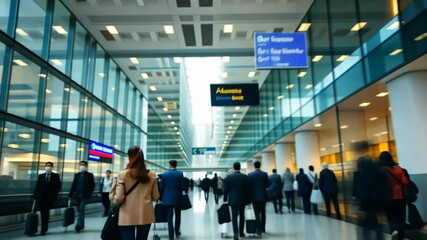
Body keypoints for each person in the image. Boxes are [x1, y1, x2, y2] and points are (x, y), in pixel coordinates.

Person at [110, 146, 159, 240]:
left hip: (126, 215)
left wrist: (112, 193)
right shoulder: (152, 175)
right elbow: (156, 196)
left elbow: (118, 198)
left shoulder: (122, 174)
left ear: (129, 157)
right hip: (146, 214)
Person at [352, 141, 389, 240]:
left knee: (365, 230)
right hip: (377, 204)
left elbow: (362, 187)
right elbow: (383, 185)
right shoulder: (376, 164)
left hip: (367, 205)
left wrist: (360, 206)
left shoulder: (362, 166)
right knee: (377, 228)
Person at [378, 151, 409, 240]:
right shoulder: (398, 169)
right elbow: (405, 182)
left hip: (387, 197)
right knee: (401, 218)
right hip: (400, 196)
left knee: (391, 217)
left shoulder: (380, 171)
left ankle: (394, 231)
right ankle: (401, 236)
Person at [223, 162, 250, 240]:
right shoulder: (245, 177)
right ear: (240, 167)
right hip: (242, 200)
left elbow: (226, 190)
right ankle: (241, 232)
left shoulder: (229, 177)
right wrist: (248, 200)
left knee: (234, 217)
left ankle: (236, 233)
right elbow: (247, 190)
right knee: (242, 216)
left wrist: (225, 199)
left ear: (233, 167)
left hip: (233, 200)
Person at [33, 162, 60, 235]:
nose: (48, 167)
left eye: (50, 166)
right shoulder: (41, 176)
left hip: (49, 199)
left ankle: (44, 228)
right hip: (41, 198)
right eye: (47, 166)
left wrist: (54, 196)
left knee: (46, 213)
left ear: (52, 167)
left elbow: (58, 187)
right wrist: (35, 196)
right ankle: (43, 228)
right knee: (42, 213)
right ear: (45, 167)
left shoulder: (56, 176)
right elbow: (37, 187)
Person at [160, 160, 184, 240]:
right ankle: (177, 232)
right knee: (178, 215)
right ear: (176, 165)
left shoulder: (164, 175)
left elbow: (161, 188)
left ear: (170, 165)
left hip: (167, 198)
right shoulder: (180, 174)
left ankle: (171, 235)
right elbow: (182, 186)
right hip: (178, 198)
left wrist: (161, 198)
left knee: (169, 217)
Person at [69, 160, 95, 232]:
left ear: (86, 166)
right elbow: (74, 185)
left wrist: (89, 193)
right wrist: (70, 195)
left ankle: (78, 225)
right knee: (79, 210)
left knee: (81, 209)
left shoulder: (90, 175)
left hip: (85, 196)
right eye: (80, 165)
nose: (82, 166)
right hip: (77, 195)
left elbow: (92, 185)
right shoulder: (77, 175)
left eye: (83, 165)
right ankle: (82, 225)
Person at [247, 161, 269, 236]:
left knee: (256, 213)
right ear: (260, 165)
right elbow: (267, 184)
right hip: (263, 196)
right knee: (263, 213)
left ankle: (258, 229)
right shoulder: (264, 174)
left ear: (254, 166)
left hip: (254, 197)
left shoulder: (250, 175)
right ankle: (263, 228)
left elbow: (249, 187)